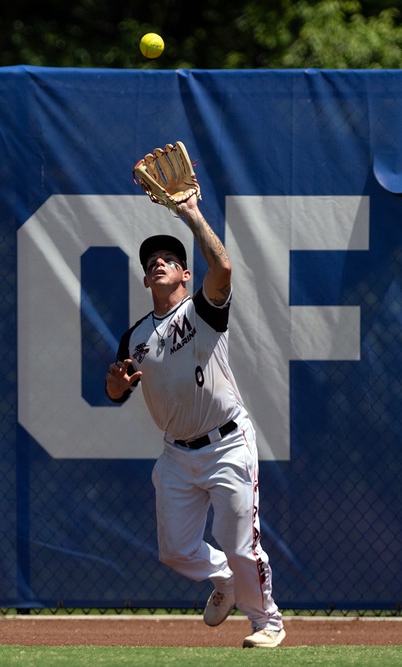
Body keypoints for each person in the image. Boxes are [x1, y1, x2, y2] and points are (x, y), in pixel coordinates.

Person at [104, 194, 285, 649]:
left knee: (241, 542)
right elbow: (116, 393)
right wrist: (116, 384)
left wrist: (191, 214)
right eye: (152, 262)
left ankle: (267, 622)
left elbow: (222, 270)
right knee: (176, 552)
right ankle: (226, 581)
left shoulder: (202, 310)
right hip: (177, 454)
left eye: (169, 259)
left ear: (185, 273)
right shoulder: (136, 336)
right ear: (146, 279)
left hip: (227, 443)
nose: (159, 263)